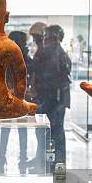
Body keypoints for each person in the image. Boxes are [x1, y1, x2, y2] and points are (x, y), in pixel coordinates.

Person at [31, 24, 72, 169]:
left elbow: (41, 72)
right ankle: (51, 159)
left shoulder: (51, 51)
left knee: (51, 130)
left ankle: (55, 161)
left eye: (46, 35)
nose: (44, 37)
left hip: (51, 98)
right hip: (55, 98)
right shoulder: (59, 51)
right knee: (54, 130)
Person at [0, 31, 33, 175]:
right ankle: (23, 157)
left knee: (5, 128)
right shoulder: (23, 55)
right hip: (21, 95)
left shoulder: (5, 55)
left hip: (8, 95)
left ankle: (1, 158)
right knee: (21, 128)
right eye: (24, 41)